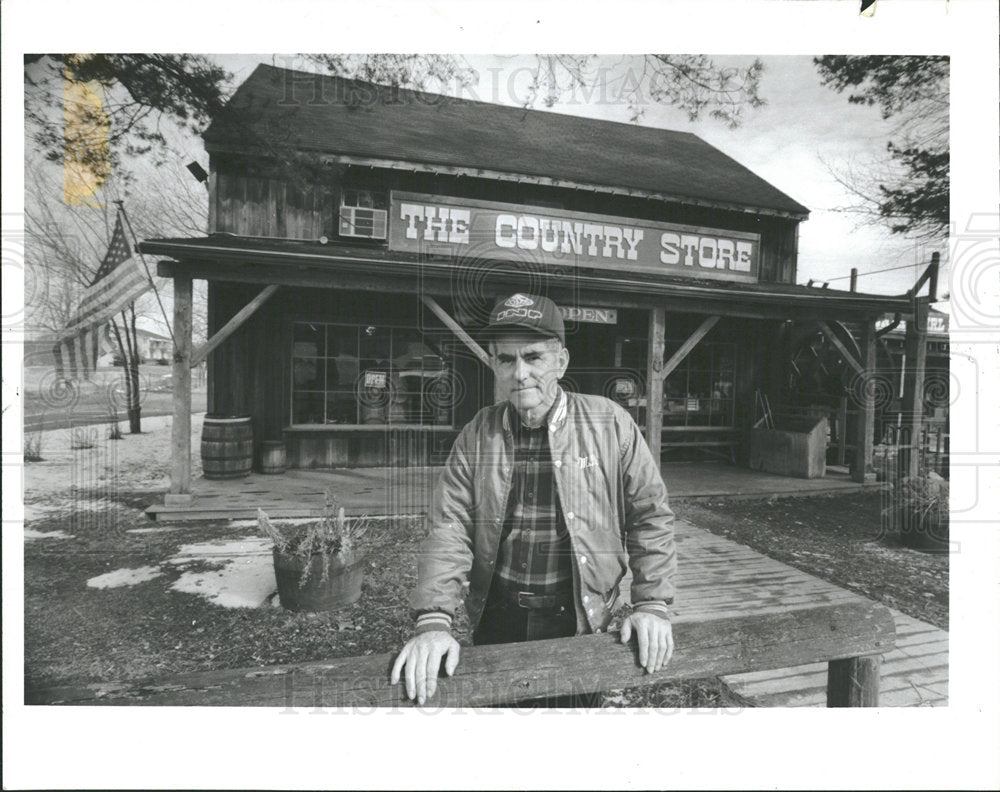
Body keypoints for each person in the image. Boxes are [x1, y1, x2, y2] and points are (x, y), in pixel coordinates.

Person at [390, 292, 676, 706]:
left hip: (579, 617)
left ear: (561, 361)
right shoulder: (478, 433)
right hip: (498, 615)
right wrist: (433, 620)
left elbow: (650, 515)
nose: (520, 373)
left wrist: (652, 604)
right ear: (494, 365)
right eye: (506, 359)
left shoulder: (611, 424)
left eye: (533, 357)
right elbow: (449, 526)